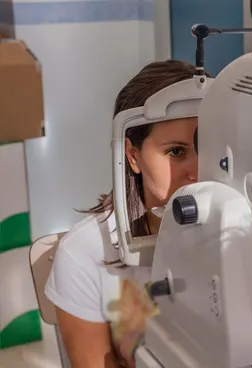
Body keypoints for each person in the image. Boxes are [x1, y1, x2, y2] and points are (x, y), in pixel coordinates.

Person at [45, 60, 212, 368]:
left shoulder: (249, 230)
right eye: (176, 151)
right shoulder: (85, 253)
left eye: (209, 146)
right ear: (133, 155)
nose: (197, 172)